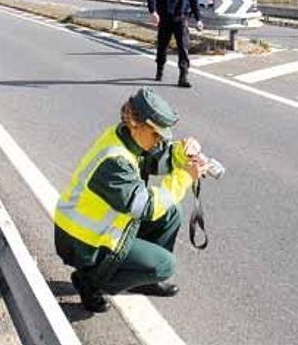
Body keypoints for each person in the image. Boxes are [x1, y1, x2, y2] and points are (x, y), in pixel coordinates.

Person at [54, 87, 207, 312]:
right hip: (81, 240)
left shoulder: (127, 137)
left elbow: (154, 160)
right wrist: (185, 176)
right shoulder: (114, 161)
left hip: (100, 227)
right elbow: (146, 207)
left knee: (172, 212)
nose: (159, 141)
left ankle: (145, 280)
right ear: (136, 124)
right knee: (165, 265)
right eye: (156, 135)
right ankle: (90, 282)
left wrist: (182, 154)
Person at [147, 0, 204, 88]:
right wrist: (153, 12)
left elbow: (194, 1)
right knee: (162, 47)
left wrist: (198, 19)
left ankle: (183, 77)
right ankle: (159, 70)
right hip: (165, 19)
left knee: (183, 48)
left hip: (181, 19)